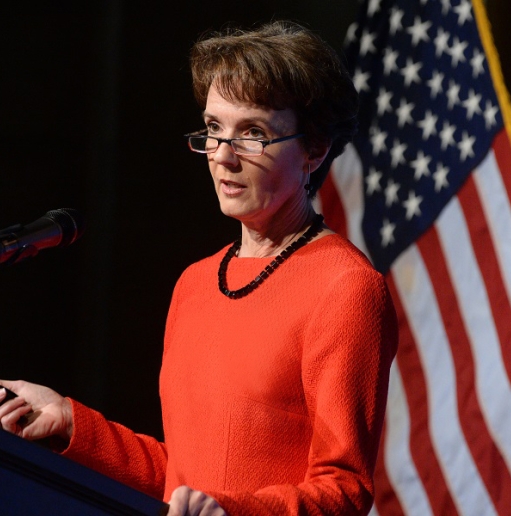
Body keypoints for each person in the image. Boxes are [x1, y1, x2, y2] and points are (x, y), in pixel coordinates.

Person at [0, 21, 398, 516]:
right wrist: (71, 421)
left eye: (252, 133)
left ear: (314, 150)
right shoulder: (194, 282)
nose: (223, 157)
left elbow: (343, 489)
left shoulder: (345, 287)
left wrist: (233, 512)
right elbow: (185, 477)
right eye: (213, 129)